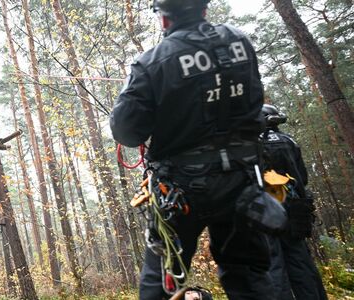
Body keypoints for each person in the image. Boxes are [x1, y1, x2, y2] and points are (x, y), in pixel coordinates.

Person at [110, 0, 271, 299]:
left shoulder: (152, 62)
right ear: (204, 9)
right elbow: (255, 100)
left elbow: (126, 131)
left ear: (164, 18)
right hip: (242, 180)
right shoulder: (239, 42)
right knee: (250, 276)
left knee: (163, 278)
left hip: (181, 188)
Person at [261, 104, 327, 300]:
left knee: (274, 266)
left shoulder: (253, 144)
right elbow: (303, 178)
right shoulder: (290, 141)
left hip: (268, 212)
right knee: (301, 263)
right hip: (295, 209)